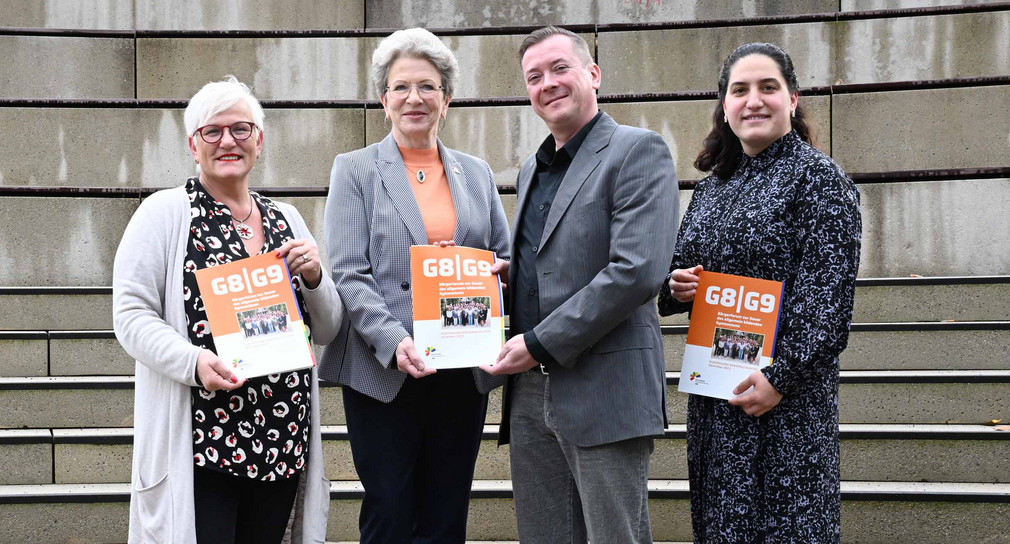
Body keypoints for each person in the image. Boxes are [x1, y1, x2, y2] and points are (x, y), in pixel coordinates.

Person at [112, 76, 344, 544]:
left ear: (259, 140)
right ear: (192, 146)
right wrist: (193, 361)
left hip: (281, 435)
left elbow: (329, 327)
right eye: (211, 132)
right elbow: (130, 315)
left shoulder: (288, 219)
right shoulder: (165, 214)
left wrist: (316, 278)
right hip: (203, 438)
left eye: (240, 129)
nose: (227, 142)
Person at [481, 26, 678, 543]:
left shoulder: (638, 150)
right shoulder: (530, 170)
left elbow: (635, 270)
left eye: (559, 68)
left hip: (604, 390)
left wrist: (539, 342)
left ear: (593, 74)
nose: (548, 83)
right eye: (534, 77)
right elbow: (552, 263)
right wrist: (508, 277)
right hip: (529, 394)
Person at [659, 42, 861, 543]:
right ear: (724, 107)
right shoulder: (712, 189)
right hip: (716, 400)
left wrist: (778, 379)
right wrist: (675, 286)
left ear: (792, 99)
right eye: (739, 90)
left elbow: (827, 309)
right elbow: (672, 279)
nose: (753, 100)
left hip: (784, 403)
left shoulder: (819, 181)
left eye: (768, 87)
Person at [317, 28, 511, 543]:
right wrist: (394, 339)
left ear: (446, 100)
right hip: (385, 370)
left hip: (461, 368)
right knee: (390, 511)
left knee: (447, 516)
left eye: (427, 87)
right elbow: (349, 274)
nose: (414, 99)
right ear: (384, 100)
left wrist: (485, 269)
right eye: (401, 87)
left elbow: (505, 258)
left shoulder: (476, 173)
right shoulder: (354, 170)